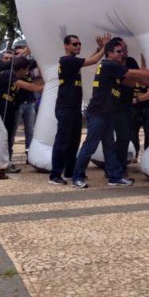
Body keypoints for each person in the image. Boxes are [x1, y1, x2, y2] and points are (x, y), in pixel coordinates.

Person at [71, 39, 149, 189]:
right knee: (89, 147)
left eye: (122, 51)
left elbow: (130, 80)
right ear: (109, 53)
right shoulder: (108, 65)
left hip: (107, 114)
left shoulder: (113, 68)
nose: (122, 54)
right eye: (118, 51)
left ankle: (114, 176)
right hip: (98, 114)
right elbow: (131, 73)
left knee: (109, 148)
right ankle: (77, 177)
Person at [48, 33, 109, 186]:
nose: (78, 46)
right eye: (75, 44)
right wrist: (105, 48)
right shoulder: (67, 60)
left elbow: (87, 59)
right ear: (66, 46)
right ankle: (55, 174)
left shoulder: (72, 61)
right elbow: (93, 60)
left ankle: (69, 171)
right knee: (62, 141)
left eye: (79, 44)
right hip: (65, 107)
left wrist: (100, 48)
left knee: (74, 141)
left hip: (74, 107)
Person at [111, 37, 140, 174]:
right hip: (114, 105)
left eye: (125, 49)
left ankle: (119, 167)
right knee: (118, 137)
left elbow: (136, 80)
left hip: (128, 105)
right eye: (121, 50)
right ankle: (115, 168)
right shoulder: (111, 64)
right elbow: (129, 80)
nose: (124, 52)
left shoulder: (131, 61)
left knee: (125, 137)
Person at [11, 40, 37, 158]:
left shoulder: (30, 64)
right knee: (12, 130)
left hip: (30, 102)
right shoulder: (11, 67)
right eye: (18, 54)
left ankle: (30, 155)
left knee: (30, 131)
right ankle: (8, 155)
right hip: (17, 103)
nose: (23, 56)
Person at [130, 56, 149, 161]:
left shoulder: (147, 77)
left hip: (147, 108)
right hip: (134, 109)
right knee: (133, 132)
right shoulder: (131, 77)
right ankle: (135, 154)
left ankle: (148, 156)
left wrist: (137, 99)